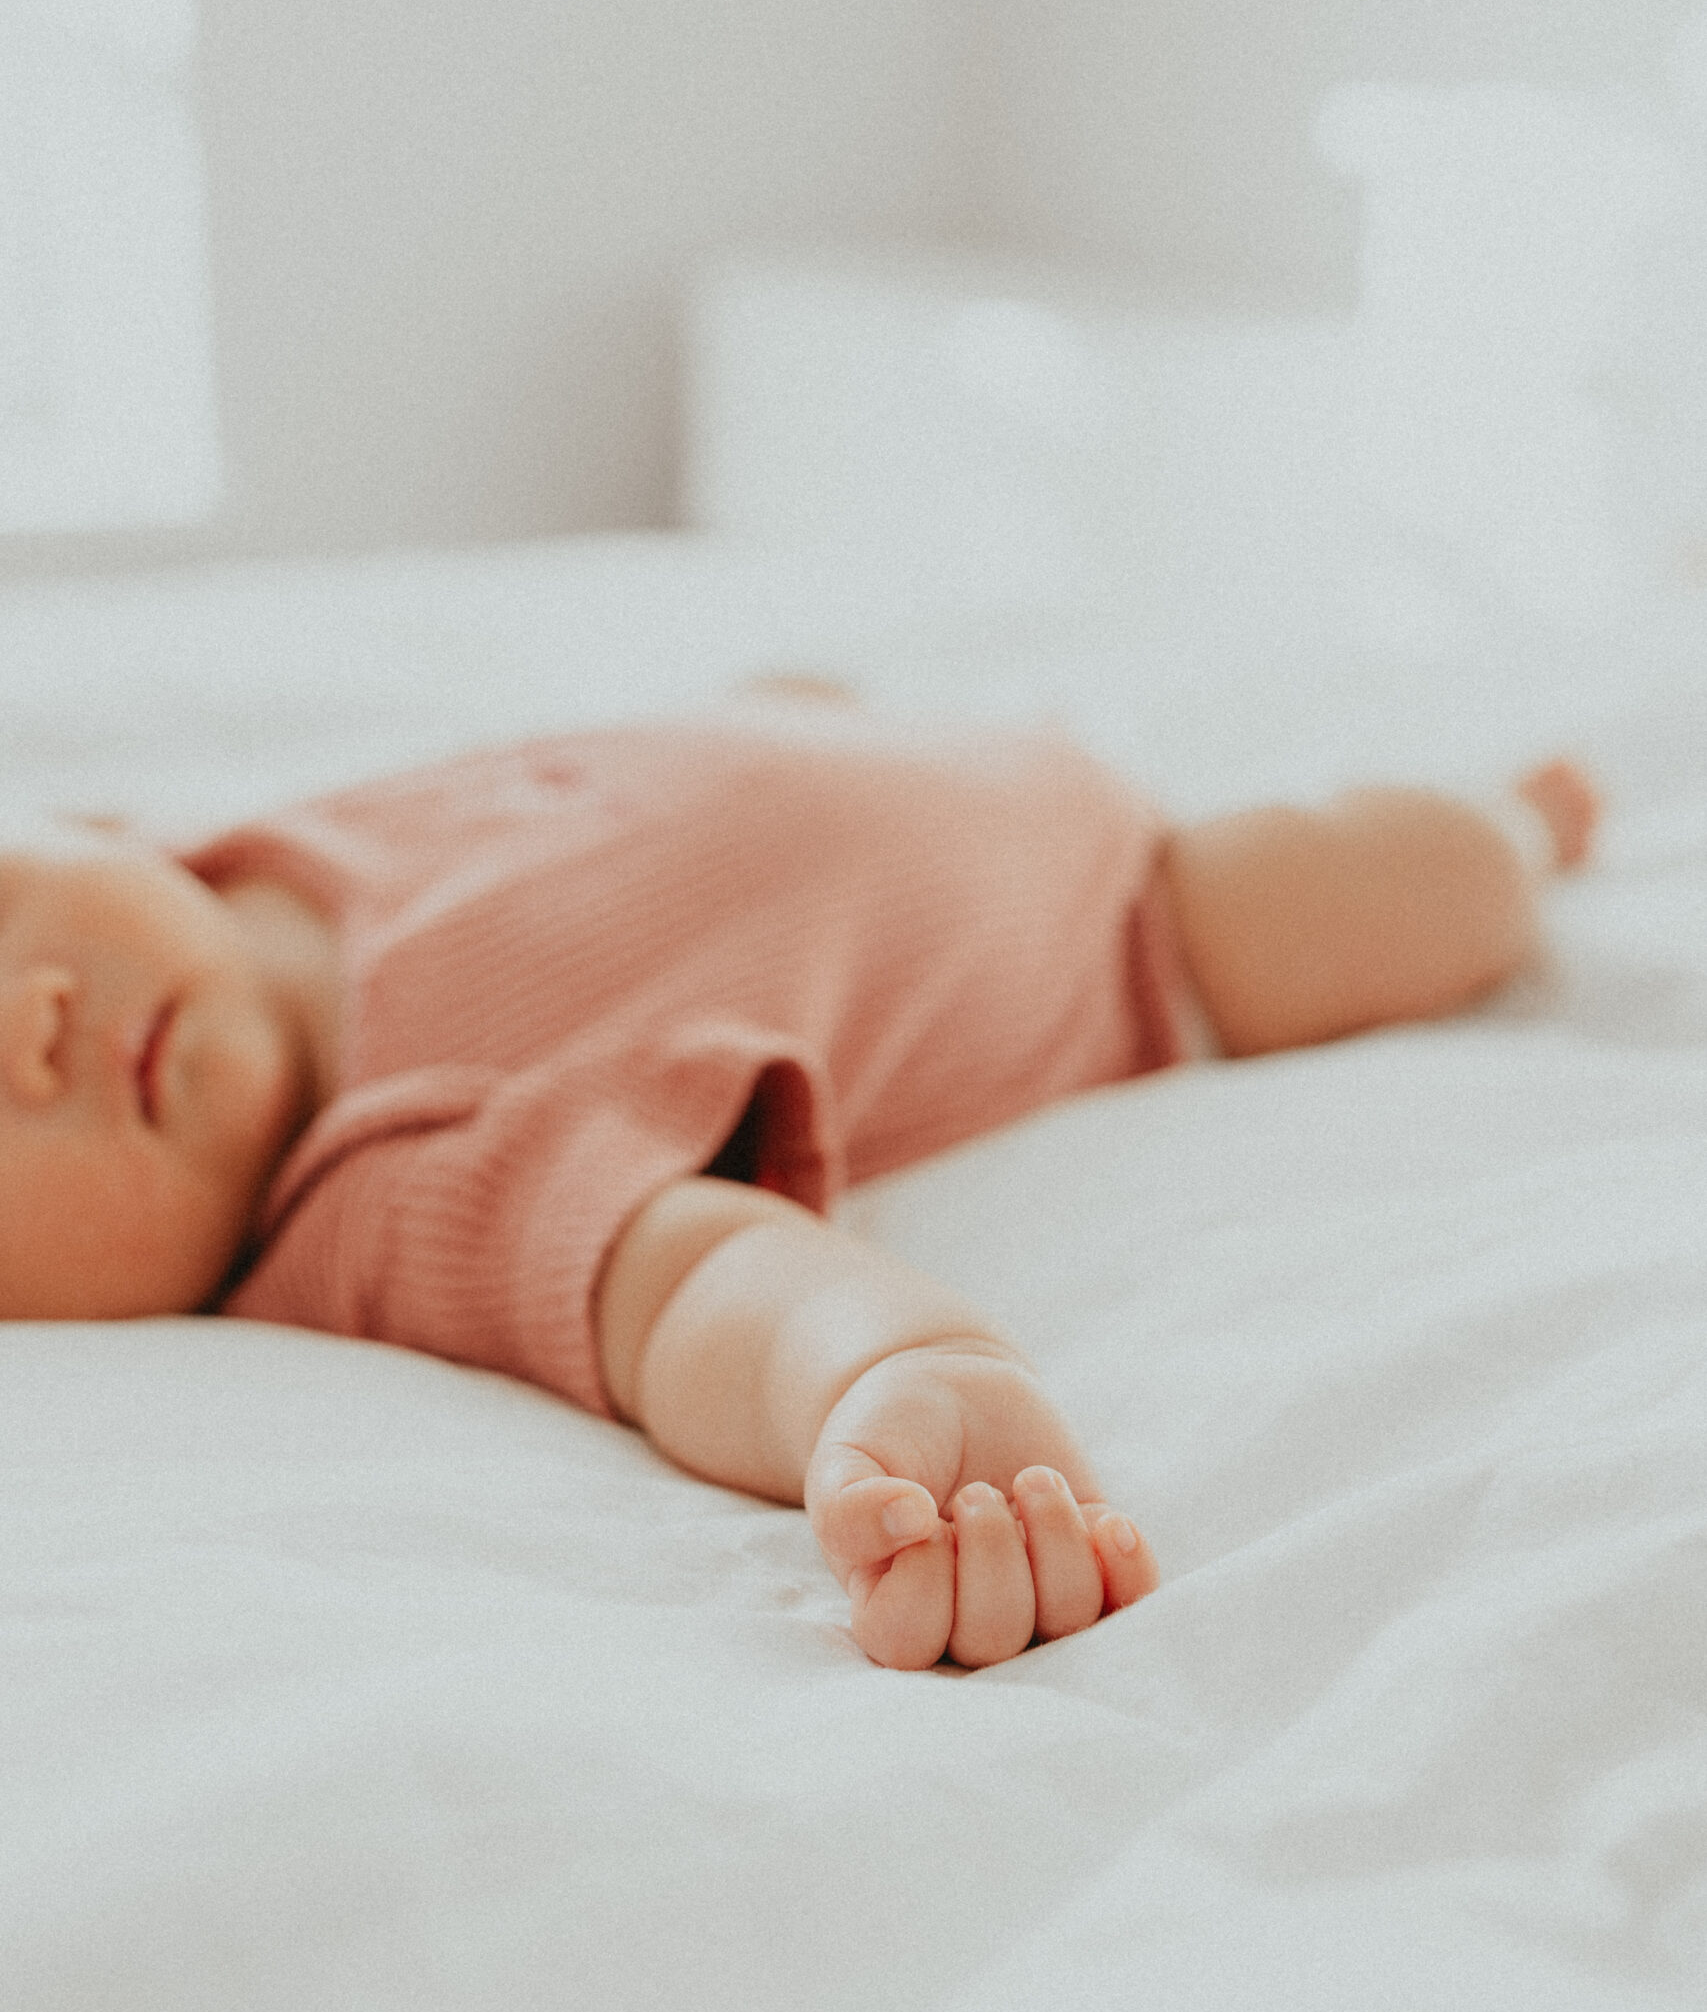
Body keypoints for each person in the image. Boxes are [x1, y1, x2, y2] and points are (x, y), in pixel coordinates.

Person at [0, 696, 1598, 1670]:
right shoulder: (388, 1183)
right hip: (1130, 920)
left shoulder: (206, 853)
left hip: (905, 746)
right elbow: (699, 1286)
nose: (27, 1026)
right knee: (1417, 877)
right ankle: (1522, 826)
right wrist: (898, 1368)